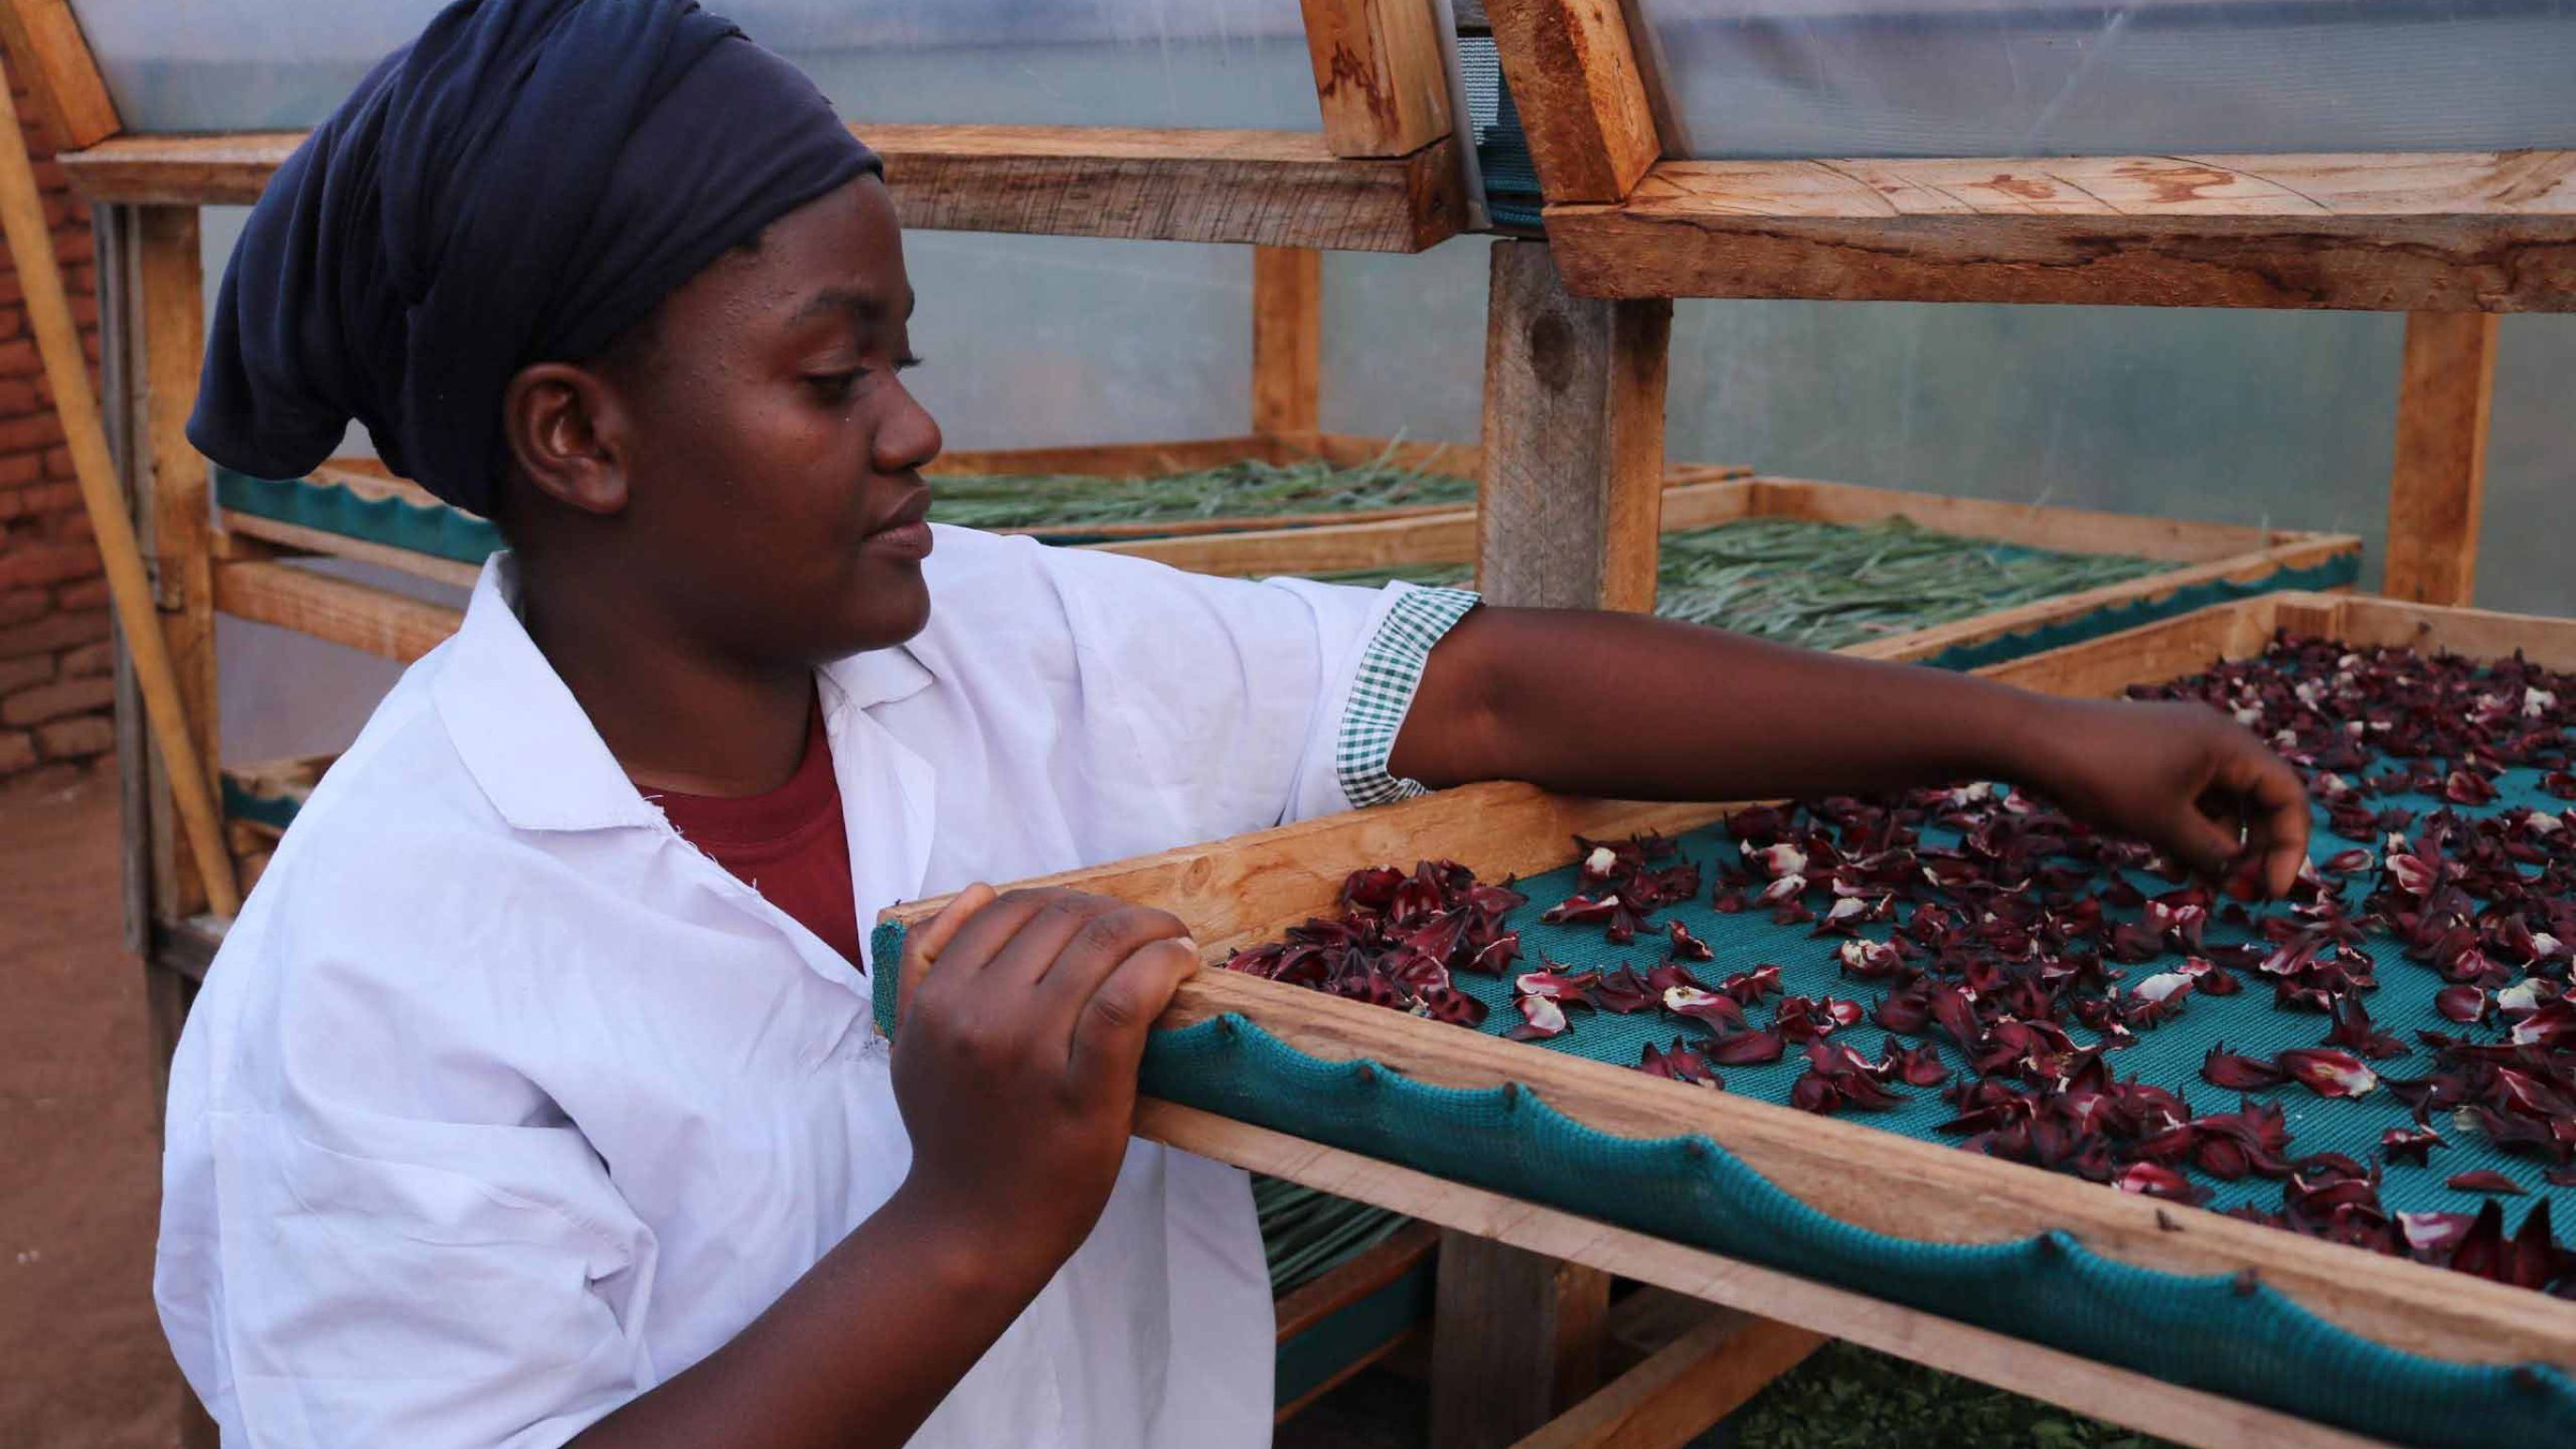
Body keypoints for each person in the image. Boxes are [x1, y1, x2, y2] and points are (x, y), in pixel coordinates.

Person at [154, 3, 2311, 1446]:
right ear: (577, 436)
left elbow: (1459, 682)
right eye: (833, 378)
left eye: (900, 354)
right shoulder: (379, 975)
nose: (915, 432)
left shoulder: (985, 639)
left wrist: (2007, 733)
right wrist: (969, 1222)